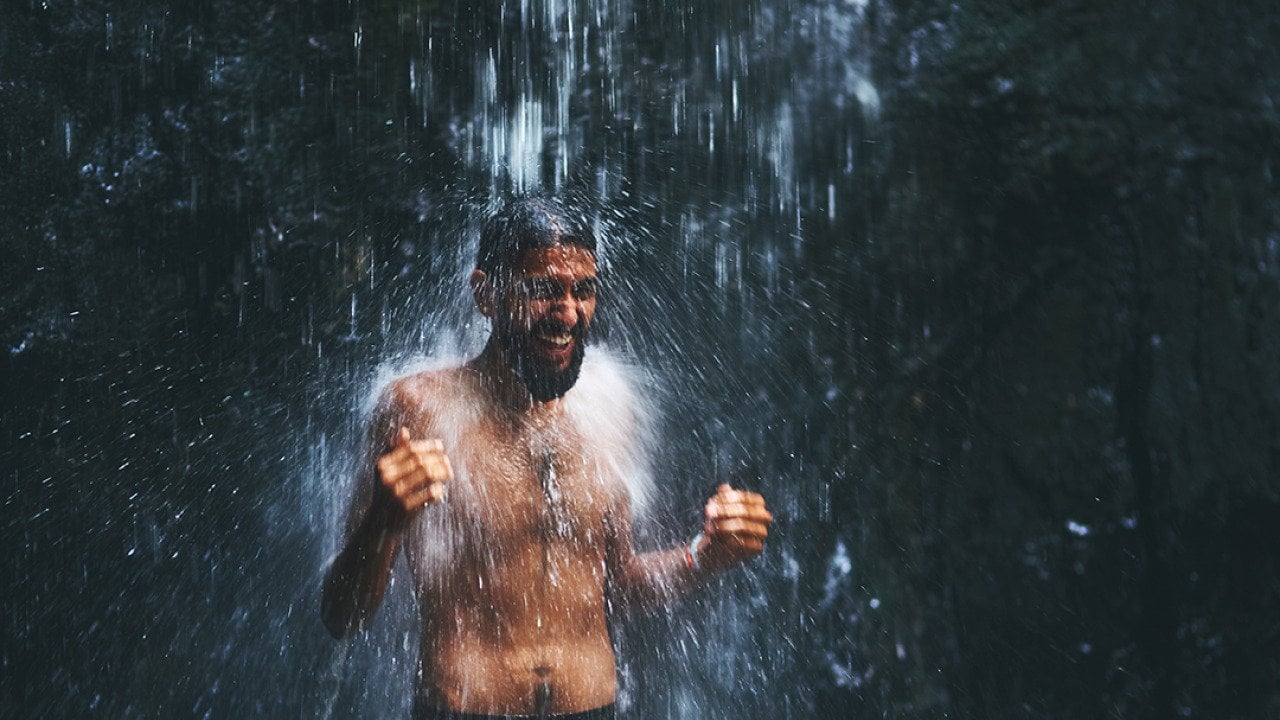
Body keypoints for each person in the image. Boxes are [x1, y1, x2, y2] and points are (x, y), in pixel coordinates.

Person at [322, 197, 773, 720]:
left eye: (583, 291)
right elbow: (341, 616)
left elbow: (615, 588)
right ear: (485, 293)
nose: (567, 312)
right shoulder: (417, 411)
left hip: (593, 708)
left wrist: (704, 555)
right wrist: (383, 520)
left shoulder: (608, 407)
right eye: (543, 290)